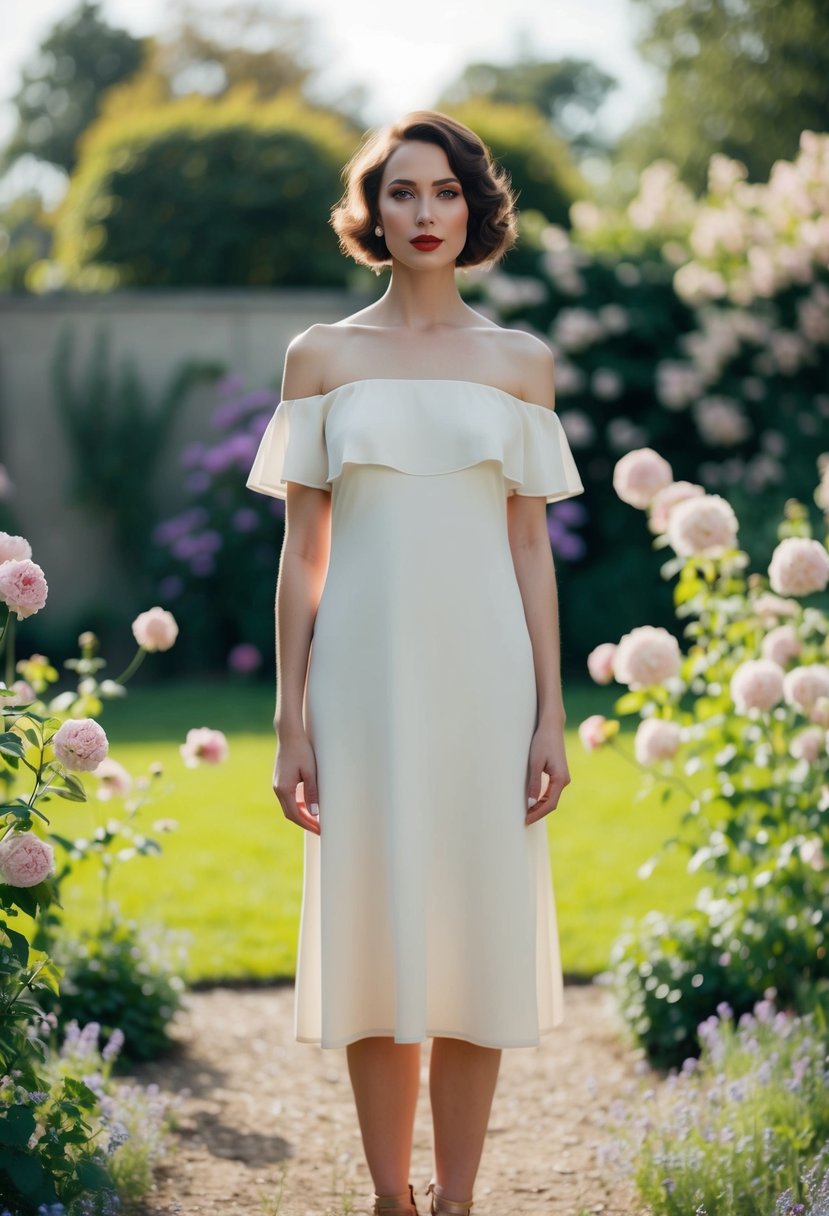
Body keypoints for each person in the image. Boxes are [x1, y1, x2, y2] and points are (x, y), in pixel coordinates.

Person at [246, 110, 585, 1216]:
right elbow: (303, 548)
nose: (423, 212)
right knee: (376, 931)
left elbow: (530, 546)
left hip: (489, 686)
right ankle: (392, 1200)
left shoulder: (519, 365)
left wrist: (549, 710)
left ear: (472, 209)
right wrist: (291, 717)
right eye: (401, 193)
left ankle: (456, 1201)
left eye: (442, 192)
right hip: (361, 686)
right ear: (373, 214)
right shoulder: (321, 355)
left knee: (475, 933)